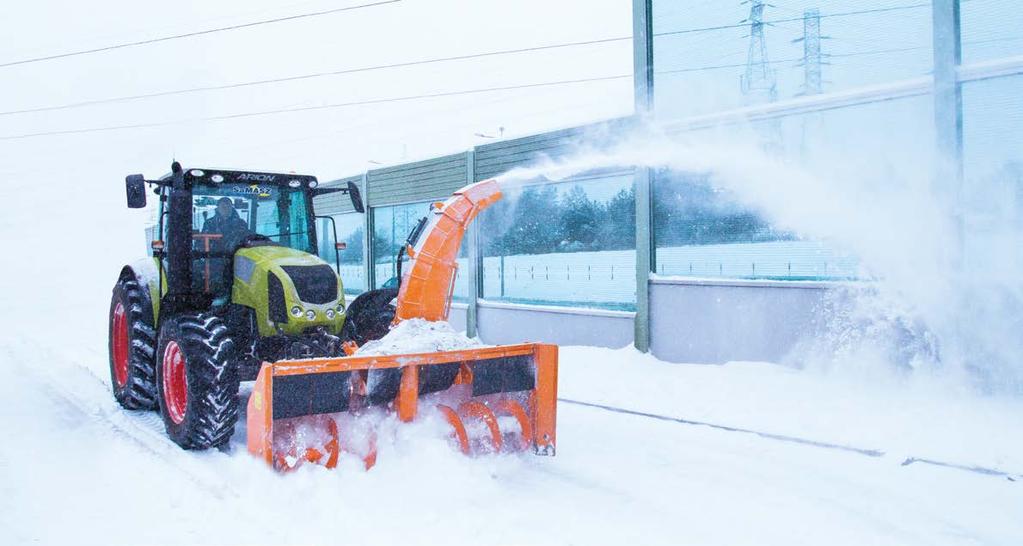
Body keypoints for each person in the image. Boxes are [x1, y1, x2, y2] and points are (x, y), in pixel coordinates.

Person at [199, 197, 248, 295]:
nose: (225, 208)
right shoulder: (209, 223)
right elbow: (201, 244)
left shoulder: (241, 223)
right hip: (214, 258)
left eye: (227, 205)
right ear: (217, 208)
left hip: (236, 258)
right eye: (222, 206)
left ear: (232, 207)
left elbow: (245, 240)